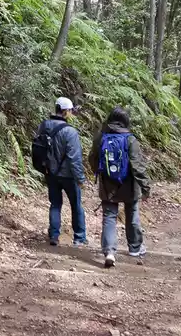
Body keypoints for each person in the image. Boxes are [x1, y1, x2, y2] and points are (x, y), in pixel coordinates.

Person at [88, 106, 150, 268]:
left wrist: (100, 172)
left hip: (108, 185)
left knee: (109, 217)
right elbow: (138, 166)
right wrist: (145, 187)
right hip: (129, 185)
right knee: (132, 215)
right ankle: (135, 248)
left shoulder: (101, 137)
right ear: (125, 121)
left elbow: (92, 158)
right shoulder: (130, 139)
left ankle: (109, 252)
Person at [32, 96, 86, 246]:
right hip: (68, 176)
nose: (71, 113)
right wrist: (80, 178)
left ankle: (54, 235)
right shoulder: (70, 132)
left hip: (50, 173)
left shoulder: (43, 126)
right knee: (76, 205)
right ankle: (79, 237)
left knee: (55, 204)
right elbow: (74, 158)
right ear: (65, 111)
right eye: (70, 111)